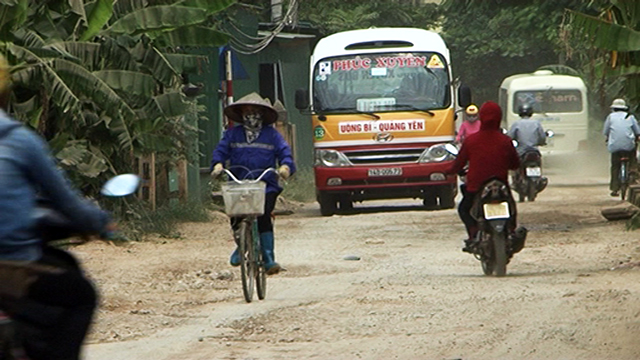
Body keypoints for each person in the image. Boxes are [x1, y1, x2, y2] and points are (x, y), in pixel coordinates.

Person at [0, 53, 114, 359]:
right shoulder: (19, 141)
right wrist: (99, 222)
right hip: (11, 267)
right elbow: (68, 201)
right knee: (81, 295)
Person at [211, 93, 296, 275]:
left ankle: (268, 258)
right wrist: (217, 164)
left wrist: (285, 167)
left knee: (264, 215)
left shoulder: (272, 135)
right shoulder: (232, 134)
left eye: (255, 111)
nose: (251, 115)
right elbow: (221, 150)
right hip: (238, 182)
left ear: (262, 115)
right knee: (236, 216)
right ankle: (241, 246)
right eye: (247, 111)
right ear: (241, 114)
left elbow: (284, 153)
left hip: (265, 184)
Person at [446, 101, 522, 252]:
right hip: (500, 185)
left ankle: (474, 234)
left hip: (476, 186)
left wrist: (449, 170)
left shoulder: (471, 140)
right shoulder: (505, 140)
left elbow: (458, 163)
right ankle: (511, 233)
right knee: (512, 209)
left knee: (464, 209)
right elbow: (515, 164)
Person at [603, 98, 640, 196]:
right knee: (633, 159)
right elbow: (637, 131)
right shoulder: (630, 117)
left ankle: (614, 189)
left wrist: (607, 138)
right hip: (628, 146)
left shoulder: (610, 117)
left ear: (613, 109)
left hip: (615, 147)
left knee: (615, 166)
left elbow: (606, 131)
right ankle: (633, 175)